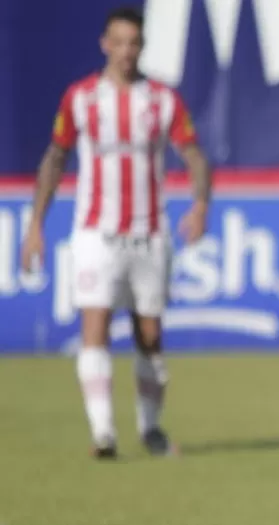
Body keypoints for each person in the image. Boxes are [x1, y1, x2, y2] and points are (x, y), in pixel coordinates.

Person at [23, 5, 212, 460]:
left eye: (134, 43)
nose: (126, 51)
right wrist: (35, 224)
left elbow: (194, 155)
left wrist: (201, 203)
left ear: (142, 47)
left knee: (150, 336)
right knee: (96, 326)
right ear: (105, 44)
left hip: (149, 233)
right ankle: (104, 433)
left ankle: (150, 429)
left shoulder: (163, 101)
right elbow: (54, 159)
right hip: (96, 233)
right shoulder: (81, 99)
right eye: (119, 42)